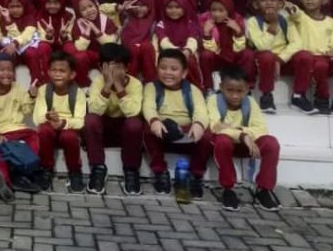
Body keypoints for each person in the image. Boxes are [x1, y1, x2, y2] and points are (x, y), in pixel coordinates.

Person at [194, 66, 282, 212]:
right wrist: (243, 135)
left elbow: (261, 129)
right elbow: (215, 127)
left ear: (247, 89)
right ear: (221, 87)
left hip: (247, 145)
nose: (235, 96)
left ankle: (264, 189)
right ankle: (228, 189)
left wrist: (239, 131)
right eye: (230, 90)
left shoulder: (250, 103)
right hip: (225, 146)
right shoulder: (213, 101)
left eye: (240, 91)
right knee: (222, 140)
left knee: (271, 143)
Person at [142, 49, 210, 196]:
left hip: (187, 132)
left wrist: (198, 124)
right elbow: (148, 107)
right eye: (163, 68)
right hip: (162, 130)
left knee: (206, 135)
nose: (168, 72)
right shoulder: (151, 87)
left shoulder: (192, 90)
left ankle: (195, 176)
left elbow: (201, 111)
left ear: (184, 73)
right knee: (147, 129)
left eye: (174, 69)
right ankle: (160, 172)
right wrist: (154, 121)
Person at [84, 44, 144, 195]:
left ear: (127, 68)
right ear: (101, 68)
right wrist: (107, 85)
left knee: (135, 123)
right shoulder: (98, 82)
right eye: (110, 68)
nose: (113, 72)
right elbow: (94, 110)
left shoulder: (135, 84)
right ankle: (98, 168)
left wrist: (118, 86)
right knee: (90, 120)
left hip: (125, 132)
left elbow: (133, 112)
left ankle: (131, 170)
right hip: (103, 129)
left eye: (118, 68)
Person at [246, 0, 305, 114]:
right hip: (263, 61)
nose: (268, 3)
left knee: (304, 56)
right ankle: (266, 95)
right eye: (263, 0)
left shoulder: (286, 20)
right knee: (267, 56)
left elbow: (297, 43)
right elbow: (262, 46)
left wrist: (279, 59)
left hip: (282, 60)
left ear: (280, 4)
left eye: (273, 0)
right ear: (255, 5)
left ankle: (298, 95)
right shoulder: (253, 22)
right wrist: (272, 26)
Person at [33, 50, 86, 192]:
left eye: (62, 71)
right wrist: (48, 117)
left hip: (67, 129)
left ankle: (75, 171)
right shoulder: (44, 90)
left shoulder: (78, 93)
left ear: (72, 75)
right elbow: (37, 117)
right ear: (48, 72)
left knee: (69, 137)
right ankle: (46, 169)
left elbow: (80, 121)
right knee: (44, 130)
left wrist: (63, 123)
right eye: (54, 70)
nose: (57, 74)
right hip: (50, 128)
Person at [0, 53, 38, 201]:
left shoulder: (17, 88)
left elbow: (27, 111)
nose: (7, 73)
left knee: (34, 138)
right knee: (1, 151)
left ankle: (19, 175)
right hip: (0, 132)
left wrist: (31, 96)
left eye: (10, 70)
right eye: (2, 70)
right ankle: (3, 181)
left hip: (20, 129)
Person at [289, 0, 333, 114]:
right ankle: (298, 96)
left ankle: (323, 98)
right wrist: (289, 7)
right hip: (303, 58)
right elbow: (295, 12)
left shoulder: (332, 22)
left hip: (322, 58)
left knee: (325, 64)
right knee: (307, 57)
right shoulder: (299, 17)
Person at [198, 0, 254, 95]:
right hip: (217, 57)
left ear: (229, 9)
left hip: (233, 56)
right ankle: (209, 88)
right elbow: (211, 50)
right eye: (213, 10)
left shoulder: (237, 20)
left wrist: (238, 31)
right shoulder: (205, 21)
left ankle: (246, 86)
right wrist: (206, 33)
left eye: (221, 10)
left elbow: (240, 48)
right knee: (205, 55)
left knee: (248, 53)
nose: (217, 14)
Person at [153, 0, 203, 90]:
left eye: (178, 7)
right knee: (169, 63)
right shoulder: (161, 24)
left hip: (188, 52)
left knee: (190, 62)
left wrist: (187, 50)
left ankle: (196, 88)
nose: (174, 10)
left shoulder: (190, 23)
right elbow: (163, 40)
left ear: (184, 7)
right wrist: (176, 51)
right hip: (168, 53)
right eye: (170, 7)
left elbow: (193, 39)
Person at [66, 0, 117, 87]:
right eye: (83, 9)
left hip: (104, 55)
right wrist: (87, 31)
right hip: (88, 57)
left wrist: (95, 29)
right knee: (79, 57)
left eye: (91, 6)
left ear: (95, 5)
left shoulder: (105, 19)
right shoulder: (77, 24)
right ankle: (84, 85)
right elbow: (79, 48)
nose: (89, 10)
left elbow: (110, 43)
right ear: (79, 12)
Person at [117, 0, 157, 81]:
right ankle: (130, 81)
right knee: (134, 49)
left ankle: (151, 82)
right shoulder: (127, 18)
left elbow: (154, 41)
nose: (139, 9)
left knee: (146, 47)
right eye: (136, 5)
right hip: (130, 55)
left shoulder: (153, 21)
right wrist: (123, 9)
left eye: (143, 5)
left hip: (147, 56)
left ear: (149, 5)